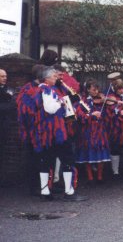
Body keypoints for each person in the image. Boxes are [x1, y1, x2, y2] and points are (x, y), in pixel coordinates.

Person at [33, 66, 87, 201]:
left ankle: (45, 192)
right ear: (46, 78)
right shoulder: (46, 89)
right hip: (55, 131)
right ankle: (69, 192)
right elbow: (50, 109)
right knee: (67, 158)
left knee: (47, 160)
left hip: (48, 131)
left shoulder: (42, 89)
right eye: (53, 76)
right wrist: (62, 101)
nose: (56, 78)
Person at [75, 79, 110, 185]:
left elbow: (108, 115)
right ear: (88, 90)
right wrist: (91, 115)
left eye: (97, 89)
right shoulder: (83, 101)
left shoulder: (102, 100)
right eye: (94, 90)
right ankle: (90, 178)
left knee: (101, 152)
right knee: (87, 153)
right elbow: (80, 117)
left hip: (100, 129)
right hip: (88, 130)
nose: (96, 92)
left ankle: (99, 177)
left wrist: (106, 106)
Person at [17, 65, 44, 195]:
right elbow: (25, 112)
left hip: (43, 130)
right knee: (34, 159)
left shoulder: (45, 88)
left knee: (43, 159)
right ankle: (33, 188)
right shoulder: (28, 89)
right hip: (33, 131)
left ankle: (44, 185)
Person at [0, 69, 16, 185]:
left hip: (5, 125)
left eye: (5, 76)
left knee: (3, 152)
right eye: (2, 76)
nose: (4, 78)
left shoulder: (9, 90)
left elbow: (13, 106)